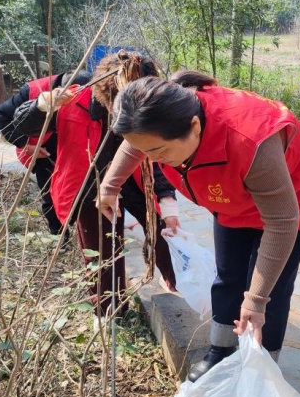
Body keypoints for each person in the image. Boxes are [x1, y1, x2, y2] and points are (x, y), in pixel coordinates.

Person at [96, 71, 300, 382]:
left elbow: (280, 221)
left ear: (194, 127)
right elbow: (136, 145)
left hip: (295, 200)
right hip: (234, 202)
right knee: (227, 277)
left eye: (158, 152)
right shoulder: (162, 123)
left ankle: (262, 369)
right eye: (147, 151)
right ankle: (221, 350)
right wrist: (110, 186)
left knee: (268, 290)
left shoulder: (249, 139)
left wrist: (256, 299)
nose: (151, 158)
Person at [12, 51, 179, 320]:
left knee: (164, 233)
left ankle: (176, 283)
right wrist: (43, 105)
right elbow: (18, 126)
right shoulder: (71, 99)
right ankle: (111, 314)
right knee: (102, 255)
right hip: (87, 188)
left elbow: (156, 158)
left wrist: (167, 200)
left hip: (135, 181)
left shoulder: (147, 105)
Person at [0, 70, 92, 236]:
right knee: (50, 192)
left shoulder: (90, 91)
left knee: (79, 187)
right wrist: (25, 145)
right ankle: (59, 236)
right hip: (41, 148)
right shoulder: (32, 90)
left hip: (70, 142)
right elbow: (0, 114)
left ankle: (83, 228)